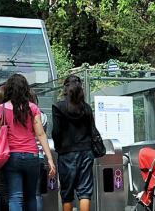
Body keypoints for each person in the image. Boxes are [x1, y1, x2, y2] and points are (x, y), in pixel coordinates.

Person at [0, 74, 56, 211]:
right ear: (25, 89)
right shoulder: (33, 108)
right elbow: (40, 134)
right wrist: (50, 159)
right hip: (32, 156)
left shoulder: (1, 110)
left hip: (11, 157)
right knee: (31, 196)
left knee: (15, 196)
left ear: (9, 89)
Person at [52, 75, 96, 211]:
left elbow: (56, 132)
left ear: (65, 88)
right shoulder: (87, 108)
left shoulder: (58, 107)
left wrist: (59, 147)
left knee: (67, 194)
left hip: (66, 153)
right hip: (86, 152)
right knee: (84, 192)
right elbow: (92, 130)